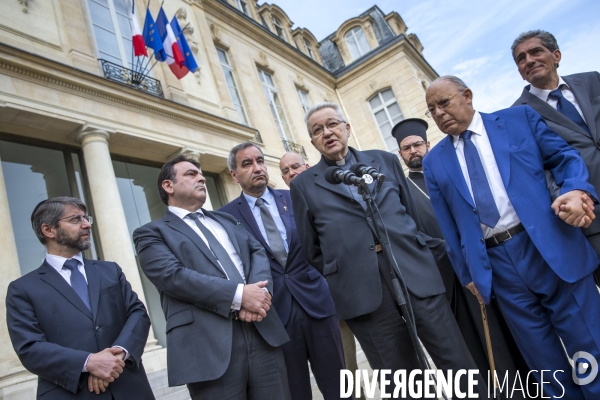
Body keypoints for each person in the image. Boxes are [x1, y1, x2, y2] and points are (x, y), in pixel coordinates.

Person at [290, 102, 490, 399]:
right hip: (362, 294)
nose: (327, 132)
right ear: (312, 142)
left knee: (456, 363)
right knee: (401, 381)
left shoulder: (384, 161)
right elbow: (312, 250)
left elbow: (413, 217)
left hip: (415, 274)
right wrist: (348, 270)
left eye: (332, 124)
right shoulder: (304, 184)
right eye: (317, 130)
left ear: (347, 128)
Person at [422, 75, 600, 399]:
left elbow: (565, 159)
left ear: (467, 96)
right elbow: (449, 227)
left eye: (444, 103)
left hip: (550, 247)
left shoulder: (518, 120)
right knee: (543, 361)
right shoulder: (434, 162)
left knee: (587, 342)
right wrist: (468, 275)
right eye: (431, 109)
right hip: (497, 266)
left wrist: (575, 189)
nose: (439, 113)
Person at [393, 119, 533, 398]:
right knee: (475, 343)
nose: (413, 151)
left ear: (427, 144)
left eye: (417, 144)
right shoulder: (402, 191)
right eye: (406, 148)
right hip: (449, 280)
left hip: (484, 265)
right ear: (400, 155)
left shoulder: (449, 173)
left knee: (512, 331)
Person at [132, 155, 291, 399]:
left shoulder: (226, 219)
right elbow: (173, 276)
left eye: (201, 174)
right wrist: (240, 296)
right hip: (207, 348)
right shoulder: (151, 234)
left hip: (262, 334)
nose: (202, 178)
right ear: (168, 185)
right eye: (191, 174)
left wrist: (259, 295)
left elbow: (257, 251)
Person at [220, 143, 345, 400]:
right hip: (274, 317)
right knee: (294, 392)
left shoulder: (295, 198)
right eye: (247, 164)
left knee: (340, 388)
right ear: (234, 175)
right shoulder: (225, 217)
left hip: (317, 304)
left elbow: (325, 241)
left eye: (260, 161)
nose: (257, 168)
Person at [6, 196, 154, 399]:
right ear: (48, 230)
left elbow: (137, 313)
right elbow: (30, 348)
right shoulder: (22, 289)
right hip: (72, 393)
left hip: (130, 387)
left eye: (86, 218)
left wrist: (117, 355)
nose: (86, 225)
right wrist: (89, 362)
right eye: (75, 219)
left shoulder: (110, 270)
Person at [511, 30, 600, 282]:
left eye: (535, 51)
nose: (528, 60)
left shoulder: (592, 80)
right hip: (591, 215)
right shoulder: (517, 116)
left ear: (556, 55)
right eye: (521, 58)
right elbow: (536, 171)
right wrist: (567, 198)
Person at [280, 151, 365, 400]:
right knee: (346, 371)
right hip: (326, 304)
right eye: (285, 171)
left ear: (307, 165)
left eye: (295, 166)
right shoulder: (286, 206)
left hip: (359, 290)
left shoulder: (332, 188)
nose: (291, 173)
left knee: (385, 357)